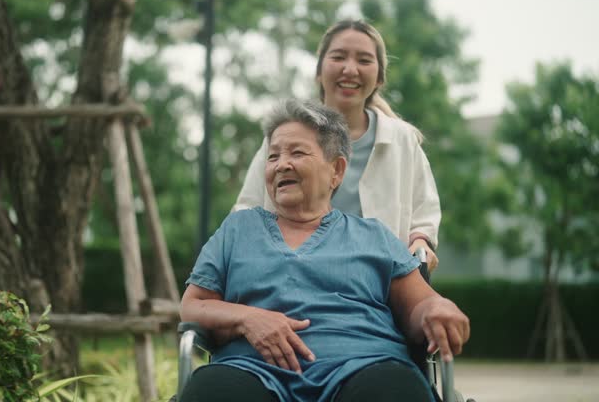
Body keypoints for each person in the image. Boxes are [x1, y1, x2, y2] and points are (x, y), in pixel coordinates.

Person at [179, 99, 469, 402]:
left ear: (337, 170)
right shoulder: (237, 230)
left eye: (297, 153)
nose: (281, 164)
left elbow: (418, 304)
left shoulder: (373, 236)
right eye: (273, 155)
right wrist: (249, 318)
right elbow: (194, 305)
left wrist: (436, 309)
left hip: (365, 367)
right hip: (250, 370)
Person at [234, 19, 441, 271]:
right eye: (339, 57)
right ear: (319, 72)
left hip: (379, 286)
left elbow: (424, 213)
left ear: (379, 79)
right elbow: (246, 208)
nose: (350, 69)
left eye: (364, 60)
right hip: (293, 278)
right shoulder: (284, 135)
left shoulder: (402, 140)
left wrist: (420, 243)